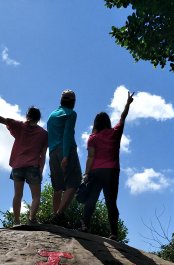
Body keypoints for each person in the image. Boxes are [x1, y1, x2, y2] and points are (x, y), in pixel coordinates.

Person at [0, 106, 48, 226]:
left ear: (27, 115)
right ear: (39, 118)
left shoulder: (20, 126)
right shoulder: (44, 134)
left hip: (17, 166)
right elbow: (43, 155)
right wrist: (40, 170)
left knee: (17, 195)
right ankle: (32, 220)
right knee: (36, 196)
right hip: (32, 167)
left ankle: (17, 222)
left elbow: (2, 119)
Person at [81, 91, 134, 240]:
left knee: (91, 199)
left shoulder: (93, 138)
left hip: (96, 171)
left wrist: (86, 173)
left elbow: (90, 156)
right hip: (112, 171)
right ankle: (113, 233)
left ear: (96, 124)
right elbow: (123, 117)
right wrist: (127, 104)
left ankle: (84, 225)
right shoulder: (115, 132)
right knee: (111, 202)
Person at [46, 89, 82, 223]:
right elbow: (67, 134)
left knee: (58, 187)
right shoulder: (71, 114)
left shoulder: (52, 115)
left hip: (53, 152)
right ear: (73, 102)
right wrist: (66, 155)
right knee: (75, 181)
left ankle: (54, 216)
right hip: (66, 150)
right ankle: (58, 215)